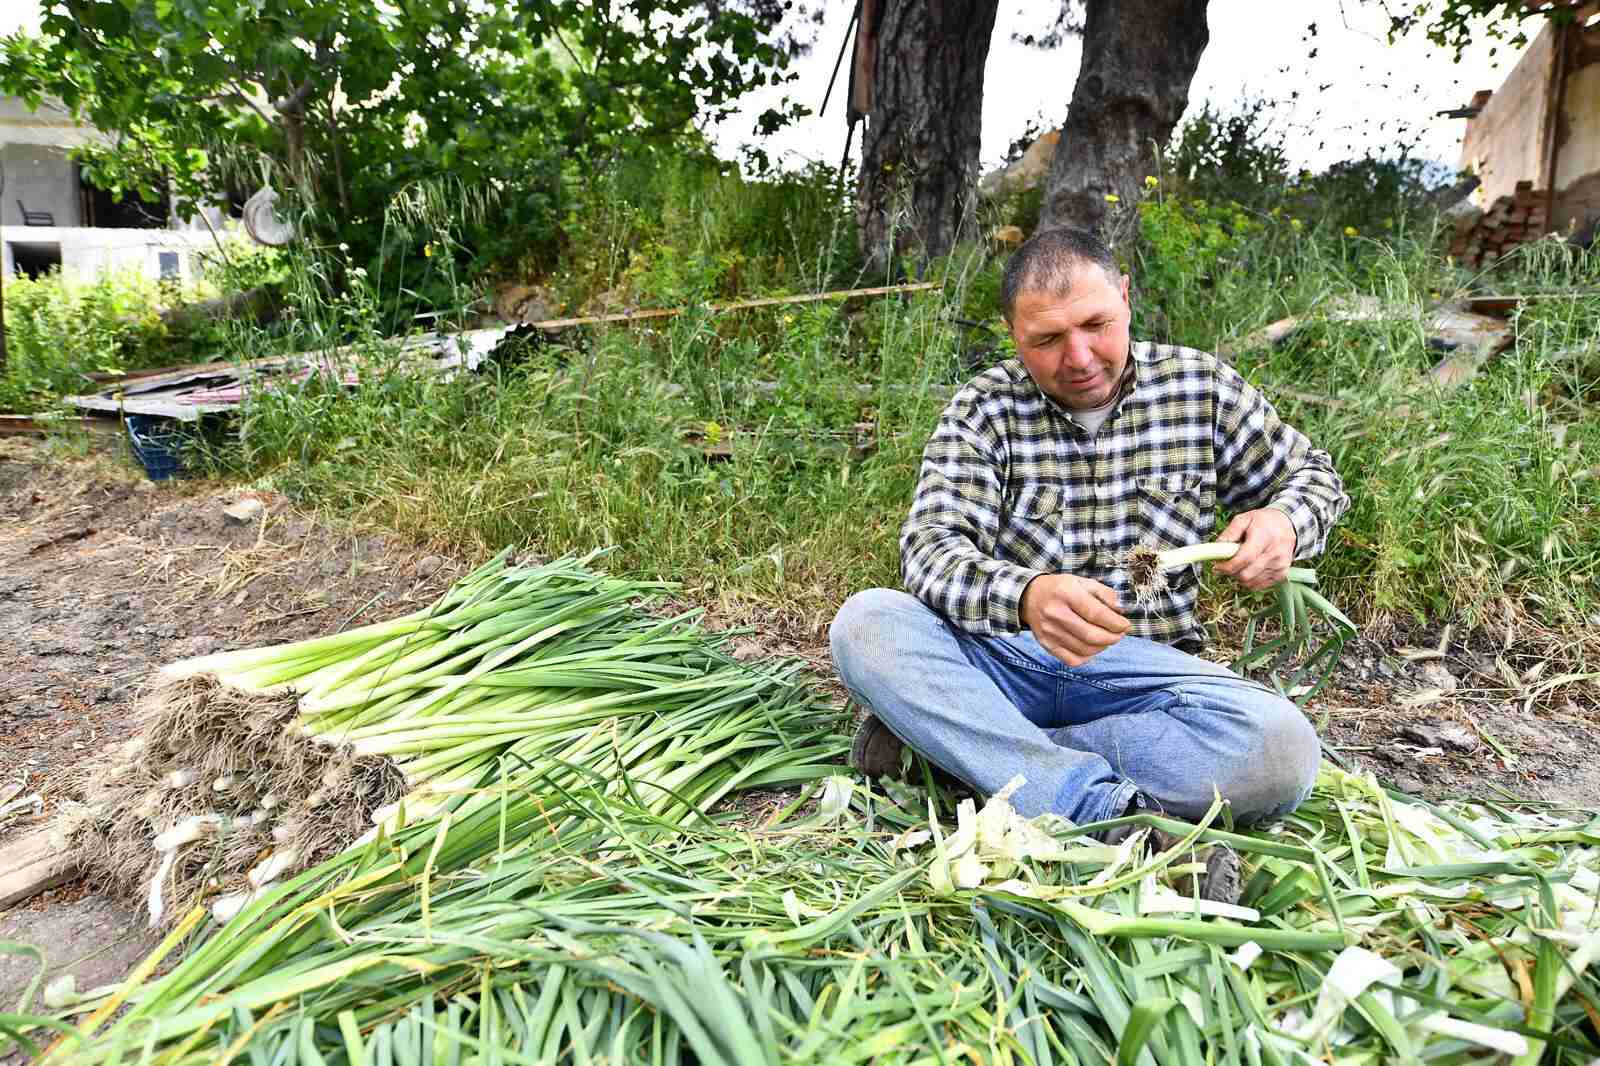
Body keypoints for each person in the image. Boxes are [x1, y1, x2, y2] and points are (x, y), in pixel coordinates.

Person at [829, 226, 1349, 852]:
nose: (1077, 358)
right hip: (1007, 658)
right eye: (1046, 339)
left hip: (1145, 678)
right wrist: (1026, 596)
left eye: (1096, 325)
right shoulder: (984, 410)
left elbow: (1314, 479)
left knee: (1282, 750)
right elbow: (932, 550)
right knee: (867, 622)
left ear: (1126, 297)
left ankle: (963, 756)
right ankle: (1099, 806)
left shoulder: (1200, 388)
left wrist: (1286, 522)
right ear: (1012, 333)